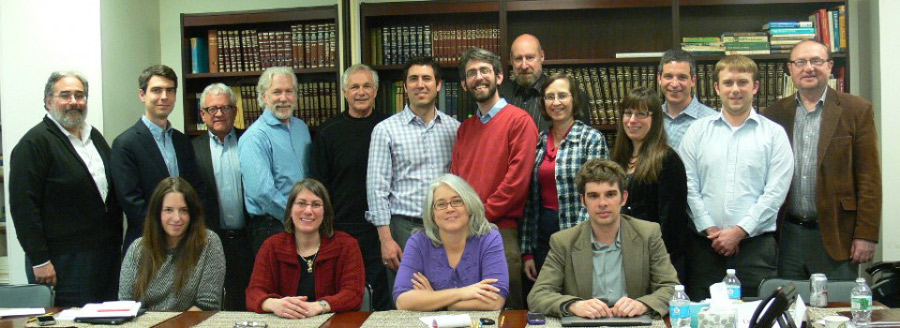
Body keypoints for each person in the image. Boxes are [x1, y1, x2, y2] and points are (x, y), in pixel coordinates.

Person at [762, 40, 881, 279]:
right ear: (790, 69)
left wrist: (866, 234)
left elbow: (869, 178)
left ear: (829, 66)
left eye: (816, 61)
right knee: (790, 309)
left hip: (837, 234)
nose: (809, 68)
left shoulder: (856, 110)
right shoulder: (774, 114)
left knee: (838, 311)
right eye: (801, 62)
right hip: (787, 234)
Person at [678, 55, 793, 300]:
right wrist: (711, 230)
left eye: (742, 82)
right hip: (704, 249)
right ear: (717, 88)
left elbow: (775, 193)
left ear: (755, 87)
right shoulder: (697, 131)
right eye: (728, 83)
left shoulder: (774, 134)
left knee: (757, 318)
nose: (735, 89)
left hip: (756, 250)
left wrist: (739, 231)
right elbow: (687, 185)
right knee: (703, 319)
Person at [9, 71, 123, 307]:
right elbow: (23, 208)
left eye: (80, 96)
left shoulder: (95, 138)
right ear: (48, 101)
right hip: (62, 264)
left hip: (104, 258)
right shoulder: (34, 144)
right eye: (65, 95)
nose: (74, 102)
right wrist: (40, 260)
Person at [528, 159, 678, 318]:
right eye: (593, 196)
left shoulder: (648, 234)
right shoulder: (564, 242)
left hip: (633, 322)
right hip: (585, 324)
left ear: (624, 198)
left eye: (610, 194)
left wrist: (643, 304)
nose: (602, 203)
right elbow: (538, 296)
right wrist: (574, 305)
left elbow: (672, 288)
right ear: (583, 201)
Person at [451, 47, 538, 309]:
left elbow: (516, 183)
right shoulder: (465, 129)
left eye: (484, 71)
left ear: (499, 77)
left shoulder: (519, 121)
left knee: (506, 310)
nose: (479, 77)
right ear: (465, 84)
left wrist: (478, 216)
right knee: (468, 309)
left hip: (501, 232)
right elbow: (456, 183)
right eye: (472, 73)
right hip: (464, 235)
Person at [366, 57, 460, 280]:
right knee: (405, 301)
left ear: (438, 85)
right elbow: (376, 189)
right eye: (413, 79)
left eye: (427, 78)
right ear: (405, 86)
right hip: (404, 229)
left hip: (446, 227)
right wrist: (386, 239)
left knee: (447, 295)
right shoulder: (385, 130)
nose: (420, 84)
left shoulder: (455, 129)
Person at [311, 64, 392, 310]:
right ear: (345, 92)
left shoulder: (389, 127)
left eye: (367, 86)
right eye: (354, 86)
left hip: (381, 230)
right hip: (340, 229)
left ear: (376, 91)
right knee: (344, 295)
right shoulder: (327, 132)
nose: (361, 92)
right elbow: (319, 185)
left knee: (380, 297)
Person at [521, 73, 608, 282]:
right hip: (543, 237)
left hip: (580, 237)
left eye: (562, 95)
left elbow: (598, 198)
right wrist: (527, 251)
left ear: (574, 100)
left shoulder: (591, 139)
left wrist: (575, 241)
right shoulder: (538, 142)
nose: (556, 102)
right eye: (550, 97)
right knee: (545, 301)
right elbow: (530, 202)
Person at [111, 64, 207, 253]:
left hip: (186, 243)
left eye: (170, 91)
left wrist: (187, 230)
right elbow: (132, 202)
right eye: (157, 90)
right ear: (142, 95)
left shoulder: (182, 141)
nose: (164, 97)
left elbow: (195, 190)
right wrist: (168, 233)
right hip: (147, 245)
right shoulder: (125, 144)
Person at [246, 179, 365, 318]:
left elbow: (353, 294)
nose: (308, 211)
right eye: (301, 203)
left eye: (316, 205)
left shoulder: (347, 245)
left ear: (325, 212)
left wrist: (319, 306)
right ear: (290, 209)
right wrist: (274, 304)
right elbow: (254, 293)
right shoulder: (271, 247)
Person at [393, 174, 509, 311]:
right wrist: (462, 293)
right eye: (441, 204)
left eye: (457, 201)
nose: (449, 209)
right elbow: (403, 301)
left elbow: (495, 300)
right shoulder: (418, 242)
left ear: (470, 206)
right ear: (432, 213)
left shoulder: (489, 238)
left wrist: (435, 300)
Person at [611, 86, 690, 283]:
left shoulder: (668, 160)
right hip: (621, 259)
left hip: (657, 264)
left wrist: (650, 260)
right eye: (628, 113)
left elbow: (672, 225)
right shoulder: (619, 159)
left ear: (655, 120)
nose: (632, 120)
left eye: (641, 114)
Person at [118, 177, 225, 311]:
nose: (177, 218)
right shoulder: (137, 249)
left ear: (192, 214)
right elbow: (125, 305)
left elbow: (207, 305)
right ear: (157, 213)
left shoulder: (208, 242)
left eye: (184, 210)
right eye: (168, 210)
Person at [190, 83, 252, 310]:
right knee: (213, 303)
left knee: (249, 299)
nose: (219, 113)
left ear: (235, 112)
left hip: (249, 239)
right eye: (212, 108)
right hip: (209, 240)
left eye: (225, 107)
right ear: (202, 114)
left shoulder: (251, 141)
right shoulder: (191, 149)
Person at [239, 66, 312, 254]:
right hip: (272, 226)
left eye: (289, 91)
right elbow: (262, 193)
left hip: (304, 221)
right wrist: (295, 217)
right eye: (277, 92)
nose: (284, 98)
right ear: (263, 97)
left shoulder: (301, 128)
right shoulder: (254, 137)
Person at [500, 34, 589, 131]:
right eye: (518, 59)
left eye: (530, 57)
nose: (524, 66)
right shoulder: (499, 96)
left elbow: (583, 139)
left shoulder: (573, 96)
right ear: (512, 60)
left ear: (542, 57)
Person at [657, 49, 717, 149]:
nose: (674, 84)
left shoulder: (712, 122)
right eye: (668, 76)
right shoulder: (650, 118)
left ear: (693, 81)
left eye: (682, 77)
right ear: (659, 79)